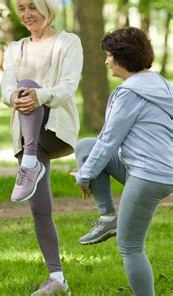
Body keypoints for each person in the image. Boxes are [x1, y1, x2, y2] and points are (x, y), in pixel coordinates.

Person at [73, 27, 172, 296]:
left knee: (130, 247)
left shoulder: (129, 93)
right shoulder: (165, 86)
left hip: (147, 177)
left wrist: (83, 176)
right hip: (163, 174)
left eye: (109, 55)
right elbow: (100, 145)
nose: (106, 61)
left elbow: (109, 141)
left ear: (122, 58)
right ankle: (107, 216)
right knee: (85, 146)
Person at [1, 0, 83, 294]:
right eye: (21, 8)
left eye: (32, 7)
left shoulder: (68, 42)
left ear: (48, 8)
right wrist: (15, 98)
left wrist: (39, 94)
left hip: (57, 127)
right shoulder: (14, 48)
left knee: (26, 83)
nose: (26, 14)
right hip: (27, 133)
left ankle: (30, 162)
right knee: (40, 207)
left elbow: (68, 86)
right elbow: (6, 87)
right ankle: (58, 279)